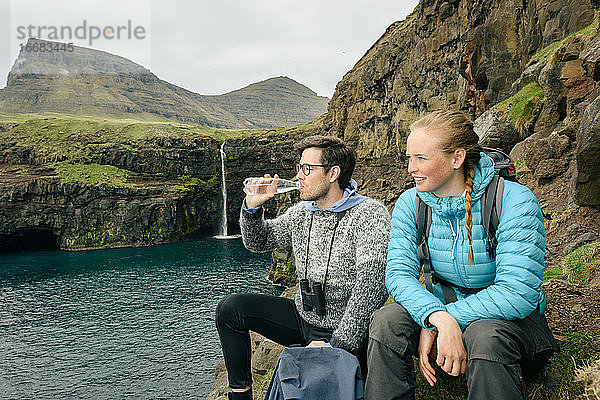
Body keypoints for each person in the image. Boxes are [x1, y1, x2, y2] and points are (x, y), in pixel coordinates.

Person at [366, 110, 558, 400]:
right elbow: (397, 275)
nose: (410, 168)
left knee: (484, 336)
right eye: (409, 158)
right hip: (442, 309)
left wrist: (447, 318)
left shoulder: (513, 200)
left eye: (421, 159)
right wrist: (436, 316)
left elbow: (517, 293)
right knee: (386, 322)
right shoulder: (411, 203)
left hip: (509, 326)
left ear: (456, 158)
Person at [216, 135, 390, 400]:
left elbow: (372, 286)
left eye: (307, 169)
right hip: (303, 318)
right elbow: (258, 242)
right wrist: (252, 209)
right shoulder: (302, 212)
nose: (298, 176)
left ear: (333, 173)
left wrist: (335, 346)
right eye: (299, 168)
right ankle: (240, 395)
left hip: (348, 329)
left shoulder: (369, 214)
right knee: (230, 309)